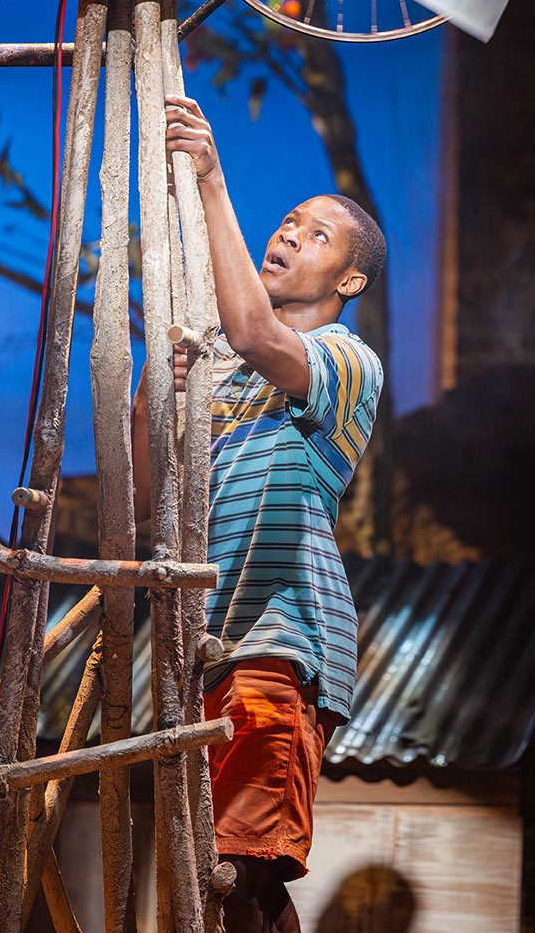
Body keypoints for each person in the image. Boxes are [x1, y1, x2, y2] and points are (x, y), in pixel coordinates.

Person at [132, 94, 385, 933]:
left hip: (281, 641)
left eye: (317, 236)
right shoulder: (225, 372)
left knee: (238, 870)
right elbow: (145, 501)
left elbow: (252, 333)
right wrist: (151, 376)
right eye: (289, 221)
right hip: (202, 645)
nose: (289, 235)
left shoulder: (345, 362)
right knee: (199, 871)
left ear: (348, 281)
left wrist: (211, 181)